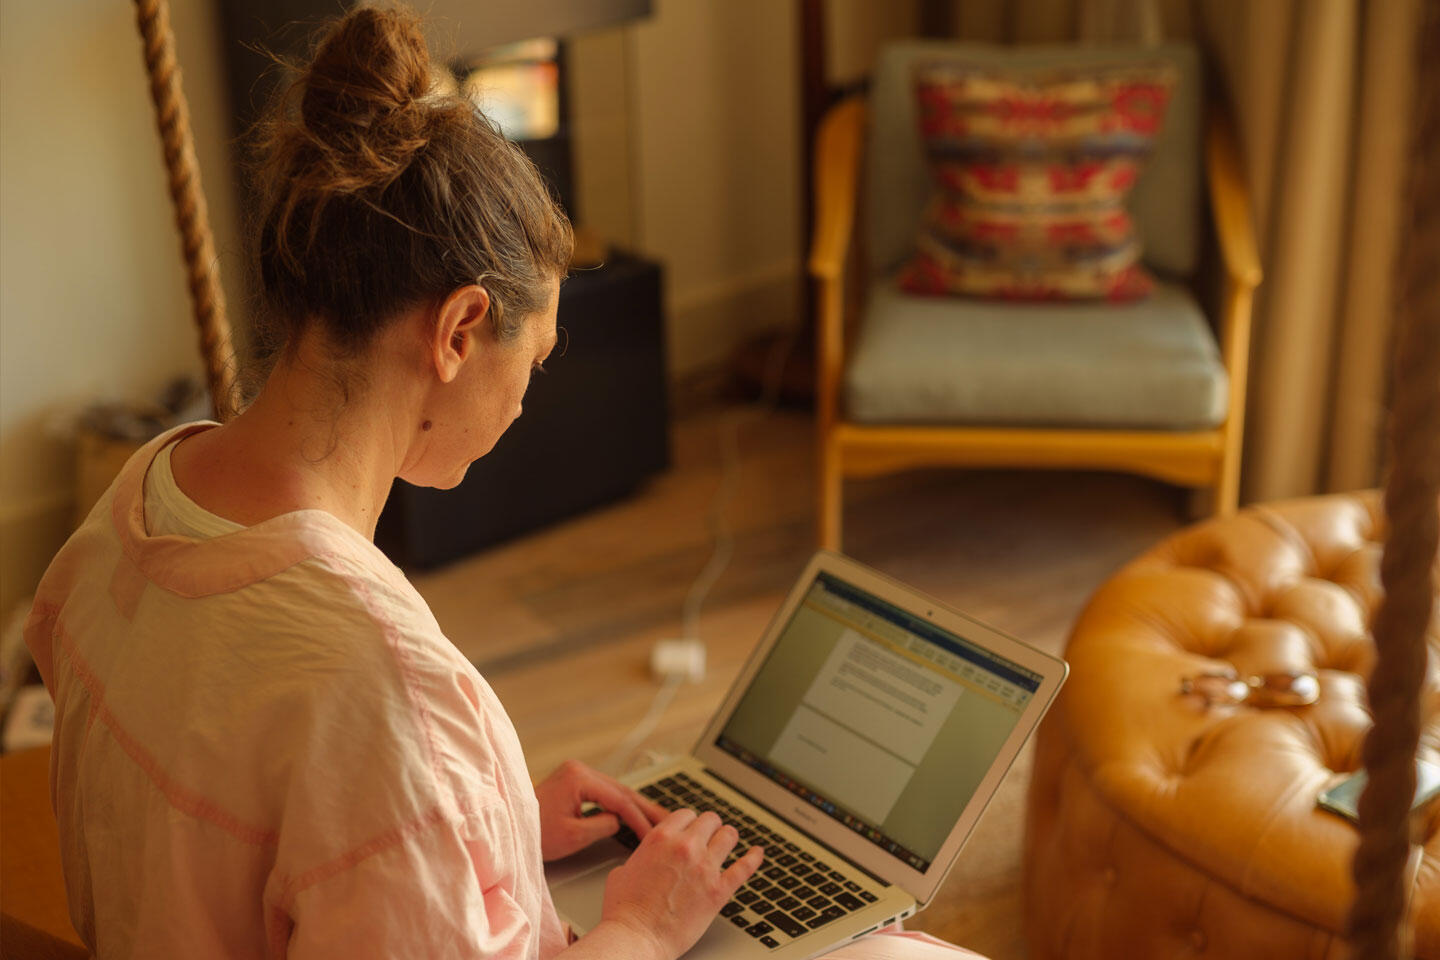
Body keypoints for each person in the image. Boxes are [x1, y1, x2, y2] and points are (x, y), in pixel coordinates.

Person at [25, 7, 982, 959]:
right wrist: (642, 929)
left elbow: (278, 837)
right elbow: (355, 765)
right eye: (535, 360)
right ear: (457, 331)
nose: (524, 405)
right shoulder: (381, 685)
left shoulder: (120, 520)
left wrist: (493, 826)